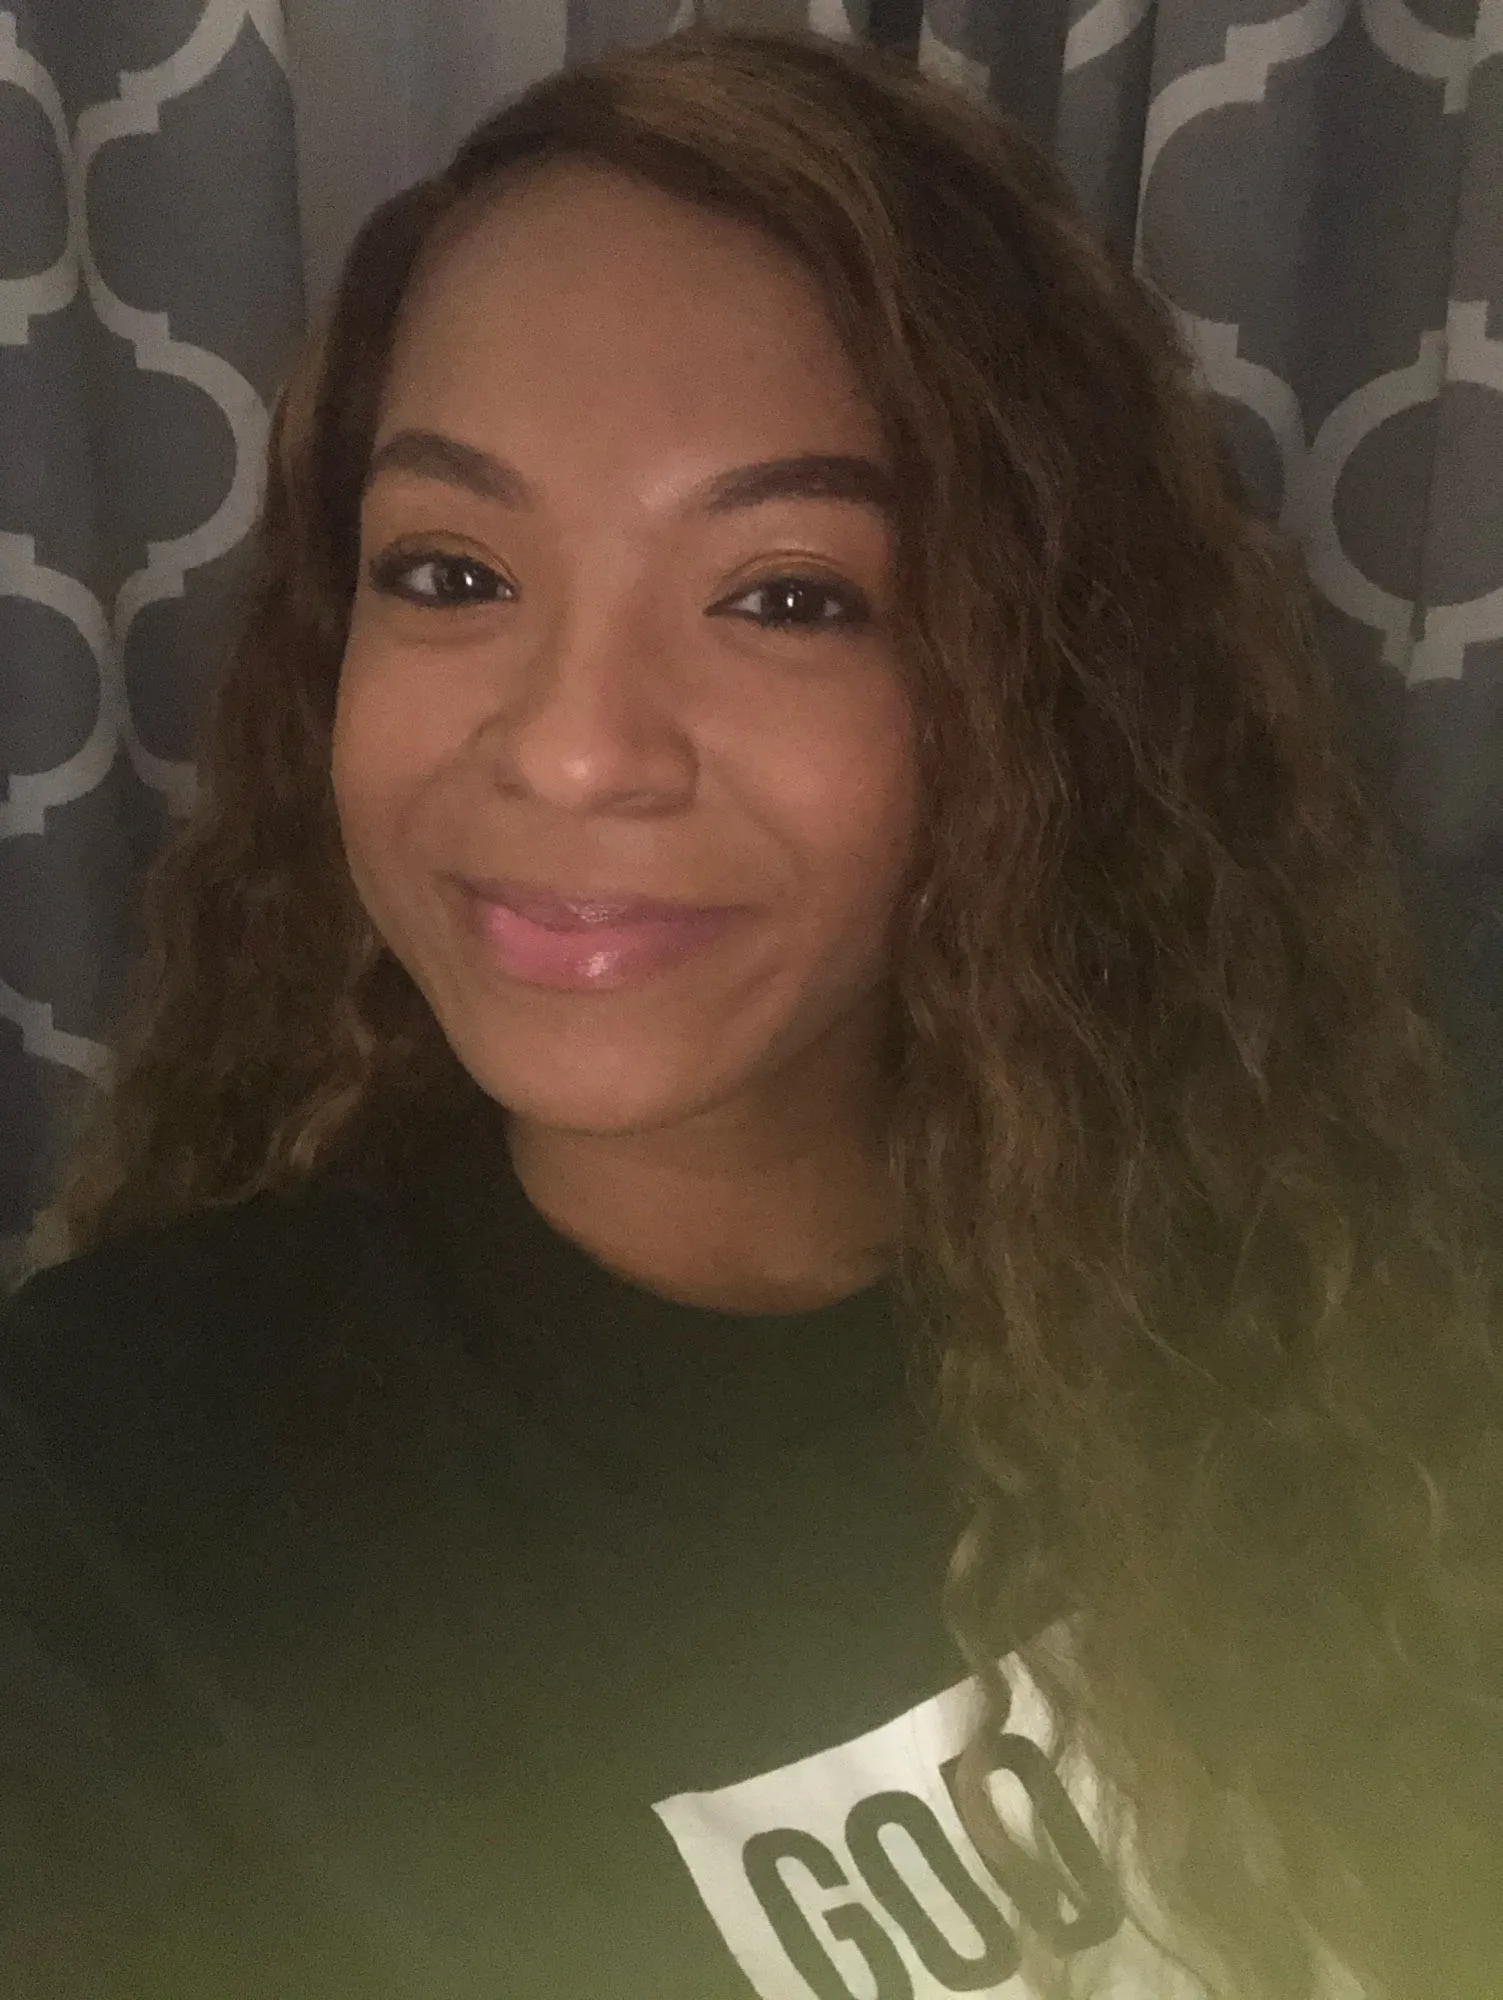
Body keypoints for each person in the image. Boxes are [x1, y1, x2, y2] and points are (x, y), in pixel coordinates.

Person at [1, 25, 1498, 2000]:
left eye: (786, 595)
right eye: (449, 570)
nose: (573, 747)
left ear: (1028, 689)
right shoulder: (110, 1501)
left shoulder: (1330, 1272)